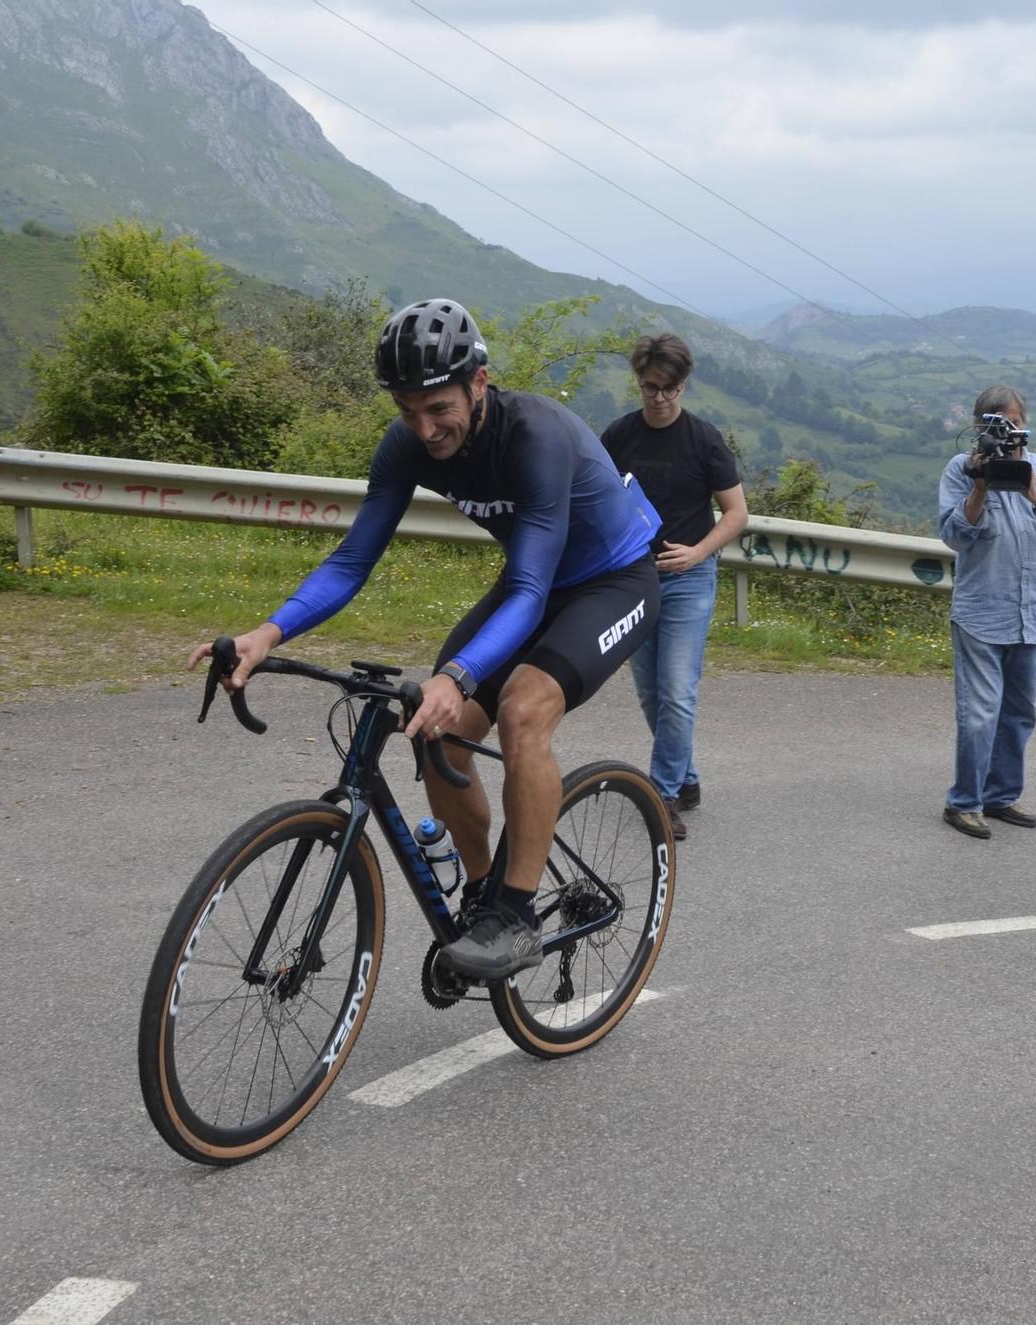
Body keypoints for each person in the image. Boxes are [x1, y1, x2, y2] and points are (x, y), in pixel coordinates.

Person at [192, 298, 662, 981]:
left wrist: (461, 675)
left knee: (521, 711)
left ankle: (518, 917)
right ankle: (483, 900)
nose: (425, 426)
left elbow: (530, 592)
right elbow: (353, 559)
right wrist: (267, 632)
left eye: (438, 407)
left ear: (478, 382)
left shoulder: (535, 436)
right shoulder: (408, 443)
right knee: (432, 729)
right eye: (408, 409)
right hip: (536, 578)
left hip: (614, 579)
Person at [599, 333, 748, 843]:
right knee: (650, 693)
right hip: (634, 580)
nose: (659, 397)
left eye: (669, 388)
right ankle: (685, 777)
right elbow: (596, 498)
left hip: (689, 578)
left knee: (678, 692)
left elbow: (737, 514)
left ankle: (661, 795)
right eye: (650, 387)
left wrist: (698, 552)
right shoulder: (618, 436)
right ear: (639, 383)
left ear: (684, 386)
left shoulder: (704, 439)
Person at [936, 385, 1036, 838]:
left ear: (1025, 425)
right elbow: (954, 534)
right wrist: (980, 486)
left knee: (1020, 711)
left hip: (1035, 611)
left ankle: (1001, 796)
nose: (1008, 434)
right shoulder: (961, 470)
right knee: (980, 713)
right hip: (983, 611)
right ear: (981, 428)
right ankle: (964, 802)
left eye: (1015, 424)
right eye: (998, 426)